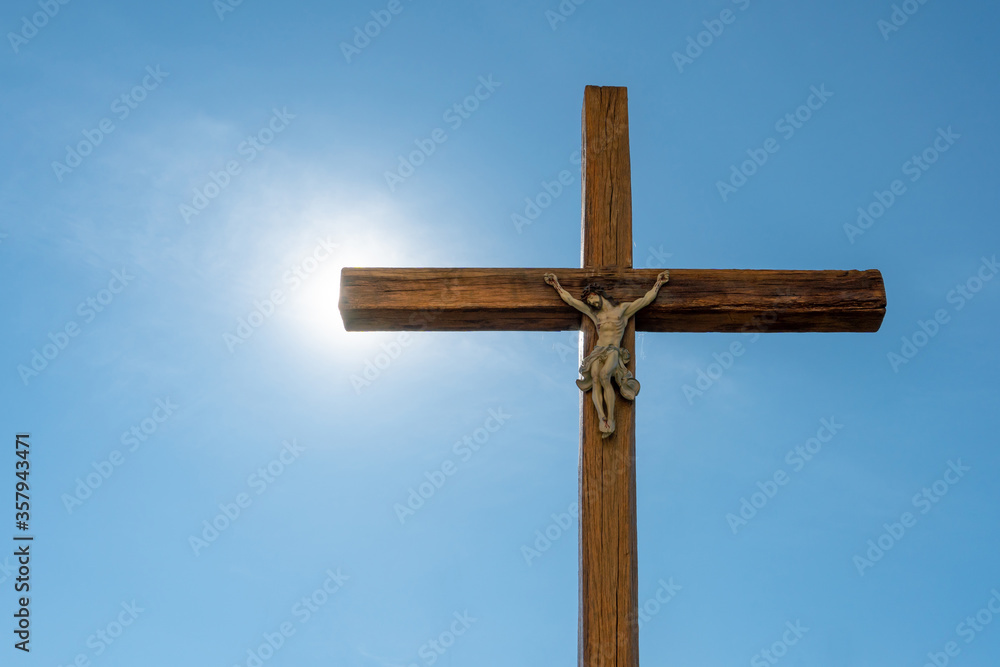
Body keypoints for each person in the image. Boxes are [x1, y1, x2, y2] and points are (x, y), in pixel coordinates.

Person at [543, 271, 670, 437]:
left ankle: (611, 417)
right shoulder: (595, 315)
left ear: (598, 294)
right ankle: (601, 417)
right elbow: (571, 301)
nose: (592, 304)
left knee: (604, 376)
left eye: (592, 299)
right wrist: (556, 285)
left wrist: (658, 283)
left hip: (613, 350)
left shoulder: (622, 310)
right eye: (589, 302)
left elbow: (646, 300)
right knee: (595, 378)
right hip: (598, 351)